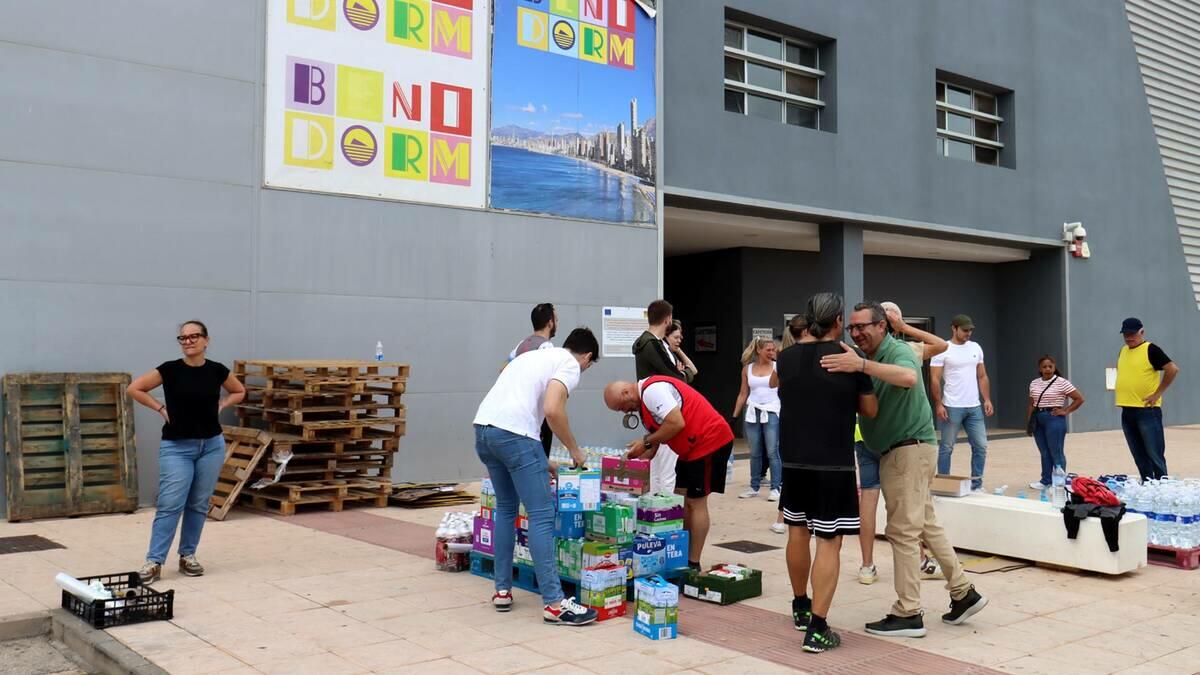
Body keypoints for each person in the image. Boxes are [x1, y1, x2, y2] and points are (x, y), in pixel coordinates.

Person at [825, 301, 987, 638]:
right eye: (852, 328)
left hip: (906, 452)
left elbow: (910, 376)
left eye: (862, 326)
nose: (856, 333)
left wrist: (865, 362)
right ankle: (963, 592)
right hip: (902, 452)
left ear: (882, 326)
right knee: (926, 525)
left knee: (902, 532)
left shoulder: (897, 350)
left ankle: (908, 612)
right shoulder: (875, 353)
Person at [771, 294, 878, 653]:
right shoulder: (850, 358)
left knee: (797, 532)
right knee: (829, 541)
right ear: (837, 321)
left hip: (794, 460)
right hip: (833, 462)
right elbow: (870, 409)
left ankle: (800, 605)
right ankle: (817, 628)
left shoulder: (785, 359)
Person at [473, 327, 600, 625]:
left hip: (483, 431)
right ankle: (555, 603)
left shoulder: (530, 357)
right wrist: (575, 451)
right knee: (542, 514)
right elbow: (552, 410)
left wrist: (540, 459)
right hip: (515, 436)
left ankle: (502, 590)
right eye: (588, 366)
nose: (583, 371)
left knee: (505, 509)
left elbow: (517, 405)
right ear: (588, 357)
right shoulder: (569, 363)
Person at [128, 320, 245, 583]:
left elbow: (239, 391)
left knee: (198, 504)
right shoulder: (169, 370)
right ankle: (154, 561)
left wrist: (222, 404)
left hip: (211, 446)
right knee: (170, 504)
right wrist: (160, 409)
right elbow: (134, 388)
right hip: (177, 447)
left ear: (206, 340)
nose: (188, 341)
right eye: (183, 338)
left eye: (194, 336)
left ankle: (188, 556)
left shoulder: (217, 370)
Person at [857, 303, 948, 586]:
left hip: (902, 446)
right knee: (887, 509)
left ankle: (913, 602)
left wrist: (905, 328)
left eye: (890, 314)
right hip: (870, 442)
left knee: (907, 524)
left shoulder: (904, 350)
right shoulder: (867, 354)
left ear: (885, 325)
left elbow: (940, 345)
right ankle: (867, 564)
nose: (857, 332)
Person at [604, 377, 734, 569]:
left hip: (709, 441)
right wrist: (638, 457)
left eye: (621, 407)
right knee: (680, 499)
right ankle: (681, 551)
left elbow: (676, 423)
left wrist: (646, 442)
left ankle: (693, 561)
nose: (625, 412)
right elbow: (658, 438)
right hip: (689, 448)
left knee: (695, 502)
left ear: (626, 393)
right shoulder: (643, 403)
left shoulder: (652, 391)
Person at [930, 314, 993, 492]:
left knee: (981, 446)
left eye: (970, 330)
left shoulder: (976, 347)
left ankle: (977, 484)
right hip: (951, 406)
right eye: (965, 330)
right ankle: (943, 483)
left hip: (974, 406)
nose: (968, 333)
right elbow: (934, 379)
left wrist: (986, 399)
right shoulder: (943, 348)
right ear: (954, 328)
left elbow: (982, 376)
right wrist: (938, 404)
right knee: (947, 447)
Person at [634, 300, 690, 495]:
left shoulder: (647, 343)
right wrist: (682, 374)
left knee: (658, 467)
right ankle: (664, 515)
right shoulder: (652, 344)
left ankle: (655, 509)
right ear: (668, 320)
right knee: (666, 468)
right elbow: (675, 376)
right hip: (664, 412)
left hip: (654, 412)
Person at [1115, 318, 1180, 480]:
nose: (1129, 337)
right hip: (1127, 410)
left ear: (1141, 332)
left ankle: (1162, 487)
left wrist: (1158, 393)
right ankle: (1147, 485)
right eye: (1125, 334)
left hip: (1147, 411)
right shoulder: (1123, 351)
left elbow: (1172, 369)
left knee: (1154, 454)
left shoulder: (1150, 349)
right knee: (1138, 454)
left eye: (1132, 334)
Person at [732, 336, 781, 501]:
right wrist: (734, 416)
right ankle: (754, 486)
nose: (771, 352)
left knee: (773, 451)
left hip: (772, 410)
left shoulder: (777, 366)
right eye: (768, 350)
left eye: (773, 349)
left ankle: (776, 487)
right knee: (754, 452)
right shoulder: (747, 369)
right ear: (759, 350)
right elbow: (743, 393)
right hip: (753, 411)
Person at [506, 303, 559, 456]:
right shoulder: (547, 348)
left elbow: (503, 368)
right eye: (556, 320)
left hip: (516, 411)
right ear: (550, 323)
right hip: (535, 415)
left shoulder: (521, 345)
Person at [1026, 356, 1085, 490]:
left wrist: (1065, 410)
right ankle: (1045, 480)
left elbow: (1079, 399)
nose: (1047, 369)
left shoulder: (1062, 382)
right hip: (1038, 418)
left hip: (1054, 419)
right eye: (1044, 367)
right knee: (1044, 452)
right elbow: (1031, 403)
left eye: (1050, 366)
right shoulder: (1034, 383)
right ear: (1039, 369)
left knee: (1056, 451)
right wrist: (1029, 421)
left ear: (1054, 367)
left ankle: (1059, 482)